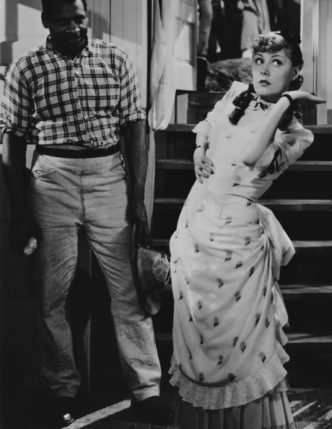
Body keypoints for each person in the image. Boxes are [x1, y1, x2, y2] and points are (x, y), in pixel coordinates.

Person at [0, 0, 173, 426]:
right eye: (63, 21)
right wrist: (19, 211)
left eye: (79, 19)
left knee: (128, 288)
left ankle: (146, 390)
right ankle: (62, 388)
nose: (75, 27)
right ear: (47, 23)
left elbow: (134, 125)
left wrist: (137, 197)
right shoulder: (27, 67)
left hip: (107, 173)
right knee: (51, 293)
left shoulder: (115, 59)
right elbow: (13, 138)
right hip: (52, 176)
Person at [168, 32, 324, 428]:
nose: (264, 70)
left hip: (236, 236)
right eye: (259, 62)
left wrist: (286, 102)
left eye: (277, 63)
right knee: (198, 329)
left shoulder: (295, 133)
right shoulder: (235, 94)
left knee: (237, 343)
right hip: (196, 223)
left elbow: (251, 154)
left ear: (296, 71)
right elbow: (207, 128)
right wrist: (199, 152)